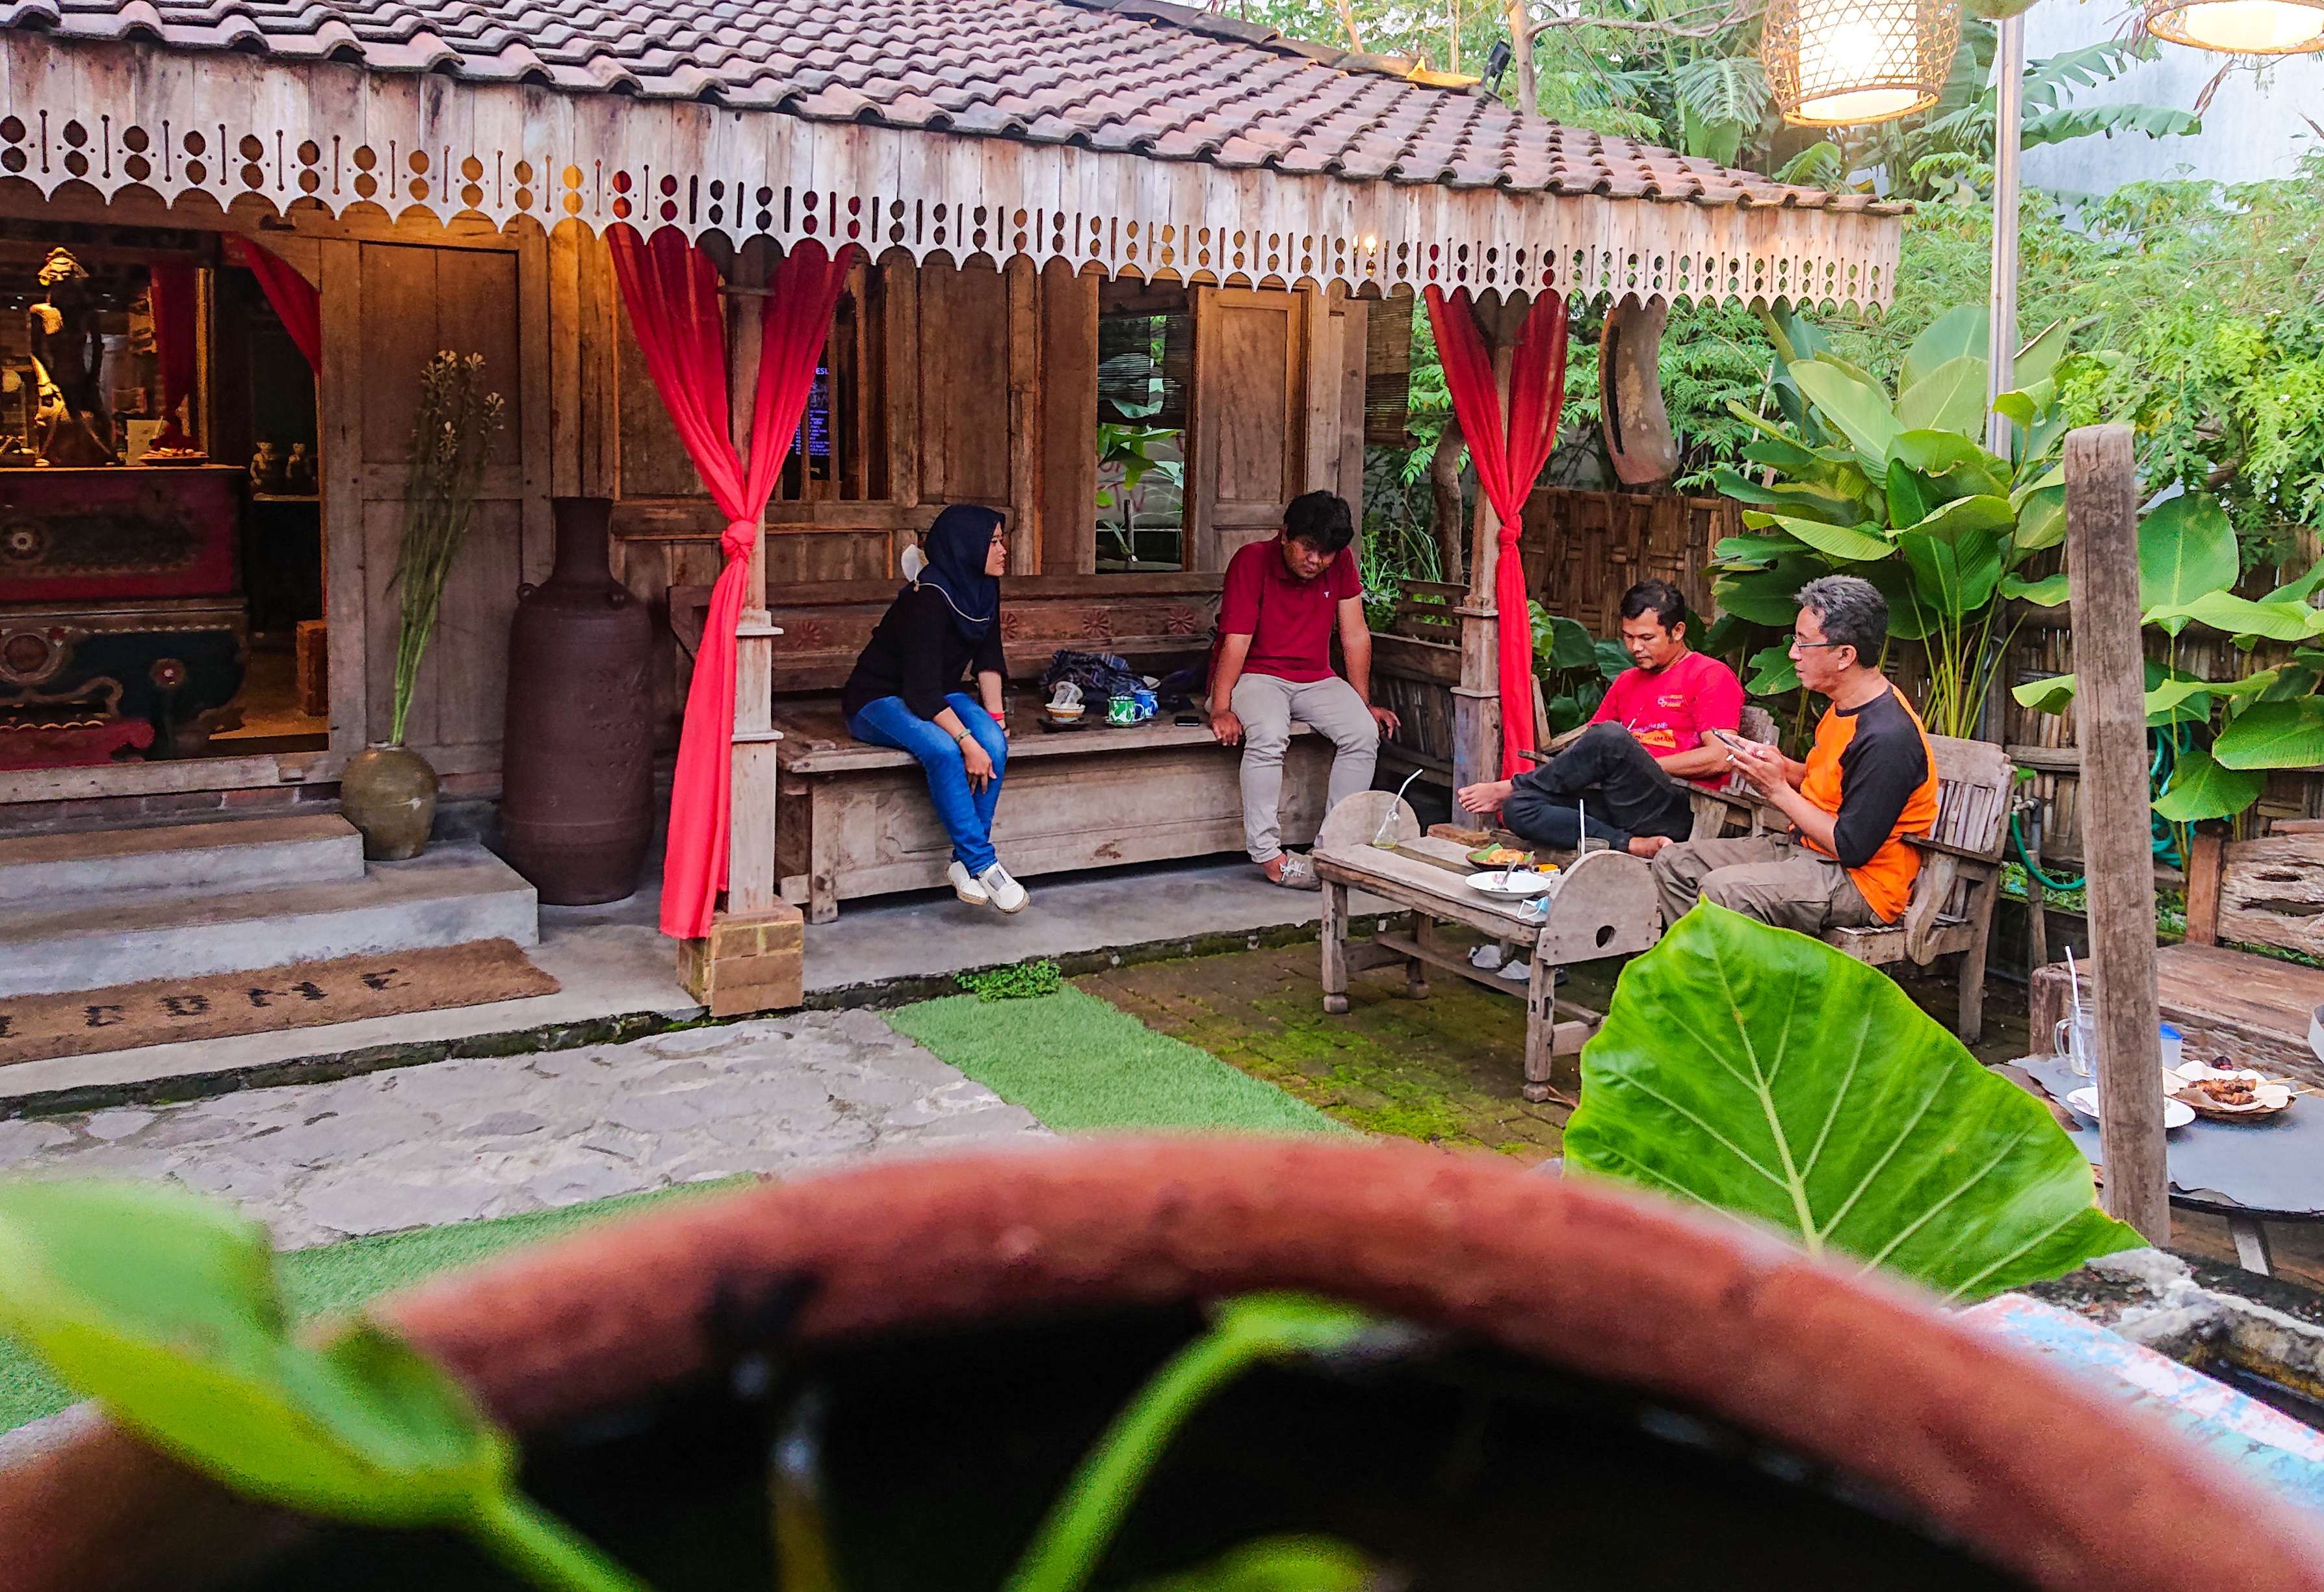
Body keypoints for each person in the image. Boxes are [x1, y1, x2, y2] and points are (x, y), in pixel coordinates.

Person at [1650, 574, 1938, 934]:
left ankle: (1738, 984)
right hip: (1803, 849)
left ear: (1845, 655)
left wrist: (1777, 791)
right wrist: (1781, 767)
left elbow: (1852, 847)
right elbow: (1833, 783)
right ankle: (1708, 976)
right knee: (1675, 862)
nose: (1792, 654)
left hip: (1861, 882)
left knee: (1725, 891)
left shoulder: (1888, 738)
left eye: (1804, 643)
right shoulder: (1843, 707)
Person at [1455, 580, 1743, 861]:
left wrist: (1635, 765)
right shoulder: (1628, 680)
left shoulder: (1710, 675)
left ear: (1678, 631)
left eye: (1646, 638)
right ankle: (1630, 844)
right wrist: (1621, 767)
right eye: (1628, 637)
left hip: (1673, 807)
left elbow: (1721, 757)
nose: (1635, 648)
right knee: (1520, 808)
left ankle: (1512, 785)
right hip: (1617, 803)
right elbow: (1589, 749)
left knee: (1610, 740)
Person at [1208, 490, 1400, 889]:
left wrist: (1363, 704)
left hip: (1315, 676)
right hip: (1256, 675)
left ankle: (1333, 850)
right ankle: (1268, 855)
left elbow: (1355, 634)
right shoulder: (1252, 559)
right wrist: (1221, 707)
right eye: (1309, 548)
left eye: (1327, 553)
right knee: (1269, 735)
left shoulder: (1340, 562)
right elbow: (1236, 640)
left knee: (1364, 734)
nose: (1317, 560)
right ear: (1285, 535)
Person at [841, 504, 1026, 913]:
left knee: (994, 745)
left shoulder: (982, 586)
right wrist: (965, 742)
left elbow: (989, 656)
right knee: (944, 751)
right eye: (994, 541)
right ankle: (983, 863)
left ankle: (963, 864)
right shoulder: (928, 597)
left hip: (938, 693)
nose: (1003, 550)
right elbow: (920, 692)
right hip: (880, 698)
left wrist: (994, 720)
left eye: (1000, 540)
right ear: (966, 546)